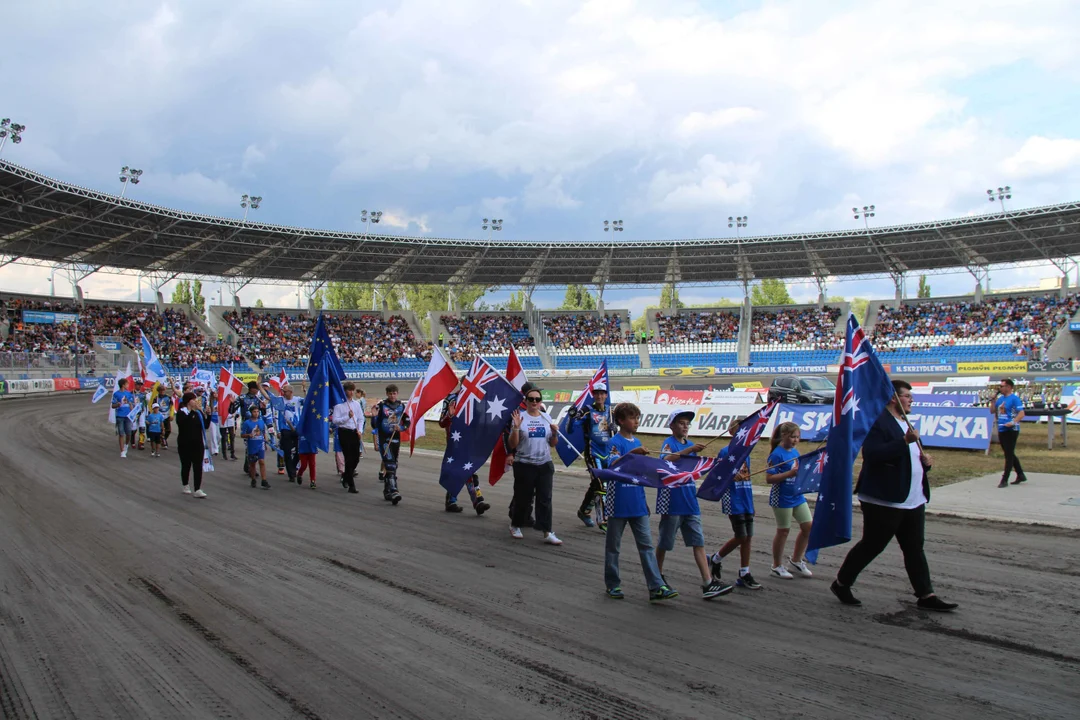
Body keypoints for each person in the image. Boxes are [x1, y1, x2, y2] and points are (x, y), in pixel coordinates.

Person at [830, 380, 958, 612]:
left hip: (913, 498)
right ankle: (841, 583)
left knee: (914, 548)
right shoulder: (878, 422)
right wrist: (903, 442)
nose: (911, 400)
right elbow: (873, 455)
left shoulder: (905, 422)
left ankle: (926, 595)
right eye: (907, 396)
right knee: (872, 545)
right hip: (884, 498)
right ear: (893, 398)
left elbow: (909, 458)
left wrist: (925, 463)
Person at [602, 402, 678, 603]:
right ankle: (613, 584)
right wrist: (632, 454)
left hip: (637, 502)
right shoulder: (614, 443)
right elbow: (611, 468)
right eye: (632, 417)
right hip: (617, 502)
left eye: (637, 417)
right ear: (620, 421)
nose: (636, 421)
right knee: (613, 547)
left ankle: (655, 586)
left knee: (646, 546)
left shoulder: (637, 441)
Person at [656, 411, 732, 599]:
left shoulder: (690, 446)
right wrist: (689, 452)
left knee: (698, 541)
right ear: (672, 426)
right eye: (680, 423)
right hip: (672, 500)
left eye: (687, 423)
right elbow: (665, 460)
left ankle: (707, 582)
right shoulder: (669, 443)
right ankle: (656, 577)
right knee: (665, 542)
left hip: (690, 499)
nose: (684, 426)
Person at [707, 417, 762, 591]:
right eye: (738, 431)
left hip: (746, 498)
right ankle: (716, 558)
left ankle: (744, 572)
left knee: (748, 537)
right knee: (741, 536)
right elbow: (717, 474)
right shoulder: (725, 451)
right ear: (731, 432)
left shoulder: (746, 452)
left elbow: (747, 477)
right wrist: (731, 475)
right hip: (733, 499)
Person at [507, 387, 561, 545]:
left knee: (545, 499)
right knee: (523, 498)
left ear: (541, 401)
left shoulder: (546, 417)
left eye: (537, 399)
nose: (534, 402)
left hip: (544, 464)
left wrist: (555, 433)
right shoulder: (520, 418)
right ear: (525, 401)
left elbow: (552, 443)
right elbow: (512, 444)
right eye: (531, 399)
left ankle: (547, 531)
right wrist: (516, 428)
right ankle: (516, 524)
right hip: (524, 464)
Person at [765, 422, 813, 579]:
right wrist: (789, 474)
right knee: (783, 531)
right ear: (784, 436)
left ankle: (796, 560)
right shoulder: (776, 455)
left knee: (808, 527)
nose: (795, 440)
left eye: (798, 437)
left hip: (797, 496)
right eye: (793, 437)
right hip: (782, 498)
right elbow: (769, 478)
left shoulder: (795, 452)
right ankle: (776, 565)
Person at [439, 384, 491, 514]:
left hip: (470, 441)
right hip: (454, 442)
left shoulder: (475, 399)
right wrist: (450, 416)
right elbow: (441, 422)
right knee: (466, 471)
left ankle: (454, 500)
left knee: (467, 470)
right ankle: (477, 500)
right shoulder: (450, 399)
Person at [572, 384, 613, 530]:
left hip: (607, 453)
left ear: (606, 395)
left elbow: (617, 430)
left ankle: (584, 511)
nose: (600, 396)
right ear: (593, 395)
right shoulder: (587, 410)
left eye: (602, 393)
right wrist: (571, 418)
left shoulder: (610, 411)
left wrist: (615, 428)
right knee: (601, 485)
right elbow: (570, 429)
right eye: (597, 394)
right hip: (592, 452)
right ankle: (603, 520)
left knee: (597, 485)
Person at [370, 384, 410, 504]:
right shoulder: (381, 406)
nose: (392, 395)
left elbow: (408, 421)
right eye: (390, 393)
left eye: (394, 393)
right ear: (387, 394)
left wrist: (401, 427)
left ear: (397, 393)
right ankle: (394, 491)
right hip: (384, 440)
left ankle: (387, 490)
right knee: (390, 465)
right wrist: (374, 417)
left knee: (393, 465)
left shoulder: (401, 406)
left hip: (396, 439)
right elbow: (374, 425)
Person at [176, 391, 212, 498]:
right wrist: (193, 412)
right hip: (185, 443)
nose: (196, 402)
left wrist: (208, 415)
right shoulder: (182, 413)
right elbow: (184, 424)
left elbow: (205, 426)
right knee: (186, 465)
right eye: (193, 400)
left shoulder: (198, 413)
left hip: (197, 443)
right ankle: (185, 484)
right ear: (188, 401)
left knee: (197, 466)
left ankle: (197, 488)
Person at [331, 382, 365, 494]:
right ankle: (351, 485)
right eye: (349, 390)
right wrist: (347, 417)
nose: (351, 392)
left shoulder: (356, 404)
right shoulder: (339, 405)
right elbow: (335, 420)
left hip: (354, 432)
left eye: (352, 390)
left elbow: (361, 418)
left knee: (356, 458)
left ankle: (346, 475)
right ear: (344, 391)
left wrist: (360, 430)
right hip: (344, 432)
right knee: (348, 457)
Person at [993, 378, 1027, 488]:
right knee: (1009, 453)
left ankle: (1004, 479)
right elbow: (992, 411)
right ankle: (1020, 474)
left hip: (1011, 430)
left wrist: (1013, 422)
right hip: (1002, 428)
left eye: (1002, 386)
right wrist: (993, 400)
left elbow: (1021, 413)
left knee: (1008, 455)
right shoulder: (1000, 399)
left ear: (1008, 387)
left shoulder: (1014, 399)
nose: (1000, 388)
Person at [270, 383, 303, 483]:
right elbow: (268, 397)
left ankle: (293, 466)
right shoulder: (280, 400)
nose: (283, 393)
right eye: (283, 391)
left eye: (285, 391)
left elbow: (309, 401)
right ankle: (291, 474)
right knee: (287, 452)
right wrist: (259, 387)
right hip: (285, 430)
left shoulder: (298, 400)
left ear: (291, 392)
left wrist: (305, 390)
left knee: (300, 451)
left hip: (296, 429)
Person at [237, 381, 266, 474]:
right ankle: (250, 467)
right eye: (256, 388)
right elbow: (231, 410)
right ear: (251, 389)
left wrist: (263, 407)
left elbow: (263, 413)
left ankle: (248, 466)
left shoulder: (258, 398)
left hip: (257, 425)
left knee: (256, 447)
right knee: (249, 447)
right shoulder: (242, 398)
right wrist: (232, 403)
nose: (257, 390)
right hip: (247, 425)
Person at [241, 405, 271, 489]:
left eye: (257, 411)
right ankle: (253, 479)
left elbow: (263, 432)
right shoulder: (247, 423)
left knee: (262, 461)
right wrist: (248, 435)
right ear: (251, 413)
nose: (256, 413)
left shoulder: (261, 422)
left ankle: (264, 480)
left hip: (260, 444)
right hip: (252, 445)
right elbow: (242, 434)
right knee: (253, 463)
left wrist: (265, 443)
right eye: (254, 412)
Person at [111, 377, 135, 458]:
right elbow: (113, 405)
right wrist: (117, 404)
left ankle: (126, 445)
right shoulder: (116, 394)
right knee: (121, 433)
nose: (128, 385)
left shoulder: (129, 394)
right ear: (123, 385)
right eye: (127, 384)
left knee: (128, 433)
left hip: (128, 416)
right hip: (120, 416)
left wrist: (133, 414)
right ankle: (122, 451)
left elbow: (131, 404)